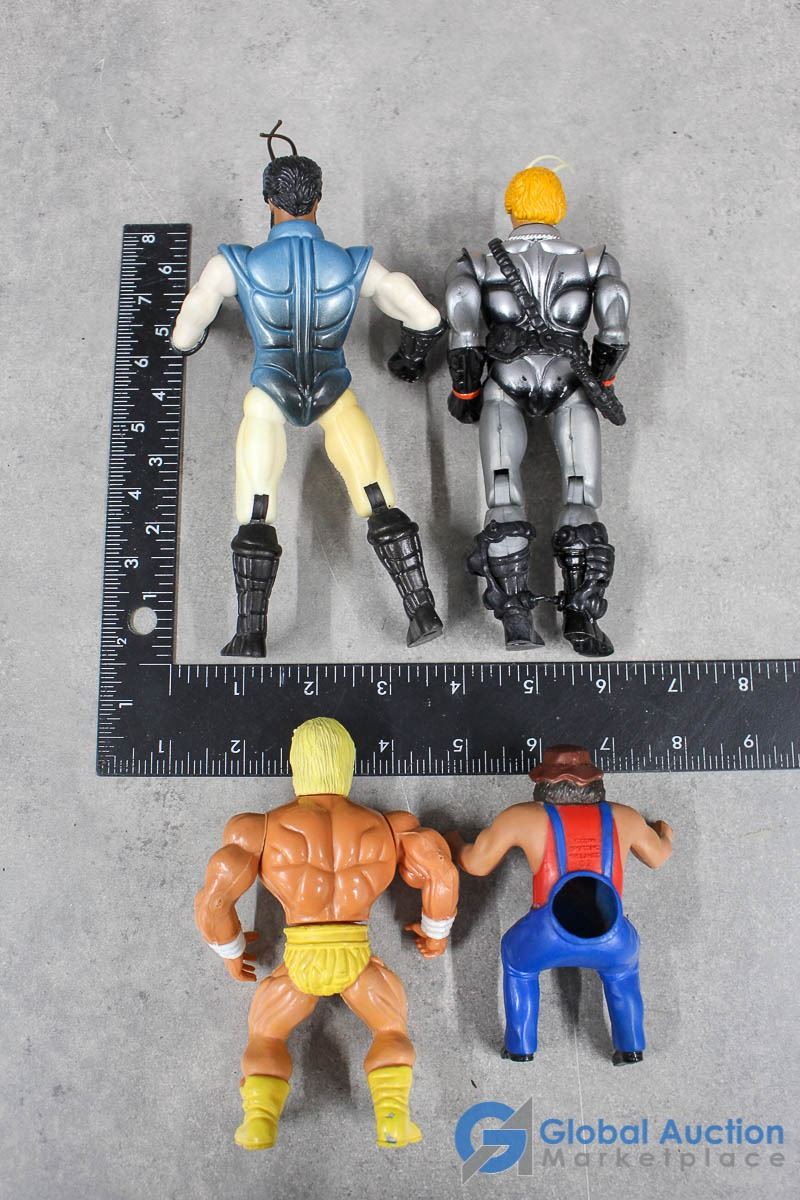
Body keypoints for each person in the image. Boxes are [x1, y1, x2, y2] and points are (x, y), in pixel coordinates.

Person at [172, 124, 445, 655]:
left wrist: (188, 340)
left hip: (269, 391)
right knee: (377, 498)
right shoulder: (352, 264)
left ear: (268, 201)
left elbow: (188, 326)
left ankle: (250, 633)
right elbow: (424, 315)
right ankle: (422, 611)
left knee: (256, 507)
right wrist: (410, 354)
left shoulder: (236, 264)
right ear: (319, 200)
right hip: (332, 388)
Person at [195, 717, 458, 1149]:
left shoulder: (259, 828)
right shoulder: (390, 827)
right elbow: (441, 874)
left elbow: (215, 900)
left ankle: (259, 1119)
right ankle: (393, 1116)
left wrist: (231, 950)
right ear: (348, 764)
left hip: (300, 957)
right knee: (390, 1030)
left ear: (296, 764)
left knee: (266, 1035)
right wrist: (436, 931)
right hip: (358, 956)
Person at [444, 165, 631, 656]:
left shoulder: (478, 263)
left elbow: (463, 337)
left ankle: (516, 620)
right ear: (558, 209)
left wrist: (466, 394)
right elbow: (614, 332)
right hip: (570, 382)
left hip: (507, 383)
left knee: (503, 492)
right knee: (581, 491)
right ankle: (581, 615)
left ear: (512, 208)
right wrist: (602, 382)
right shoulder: (593, 261)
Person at [449, 745, 672, 1064]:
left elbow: (476, 864)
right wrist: (665, 834)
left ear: (543, 783)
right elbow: (658, 857)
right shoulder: (625, 818)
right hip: (611, 939)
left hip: (546, 937)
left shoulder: (523, 817)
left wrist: (455, 842)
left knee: (518, 964)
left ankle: (520, 1046)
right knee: (623, 973)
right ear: (595, 781)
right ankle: (631, 1046)